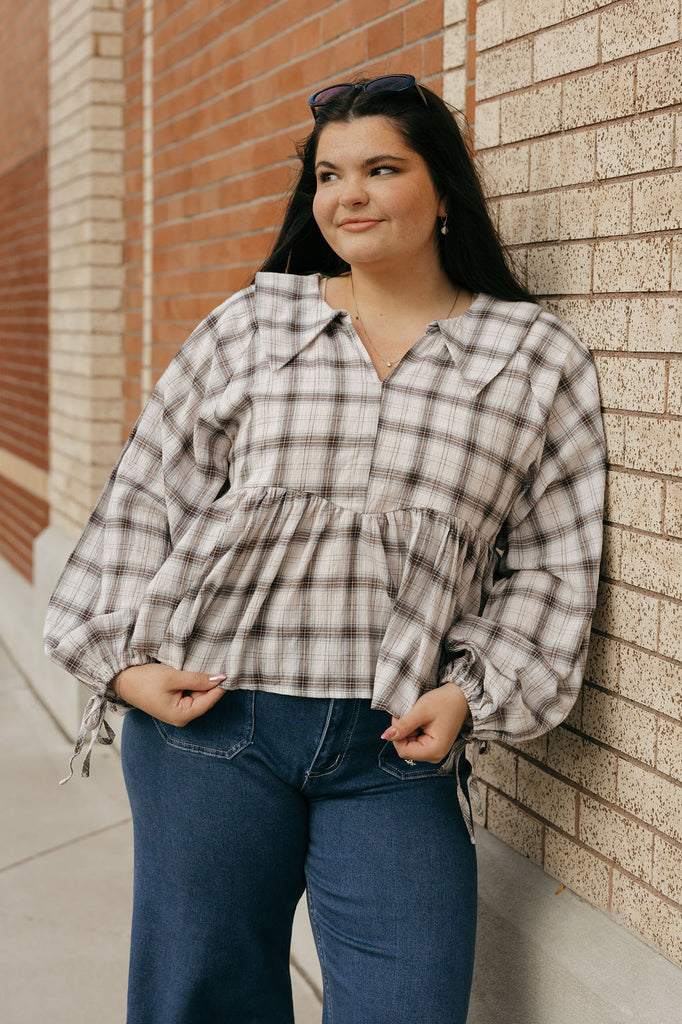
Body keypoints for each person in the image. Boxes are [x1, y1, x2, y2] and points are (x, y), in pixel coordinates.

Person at [44, 74, 606, 1024]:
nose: (347, 196)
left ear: (442, 191)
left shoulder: (532, 355)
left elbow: (554, 561)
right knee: (199, 1004)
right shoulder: (255, 325)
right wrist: (124, 667)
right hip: (213, 726)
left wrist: (472, 693)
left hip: (392, 746)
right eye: (328, 175)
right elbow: (145, 494)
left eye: (381, 169)